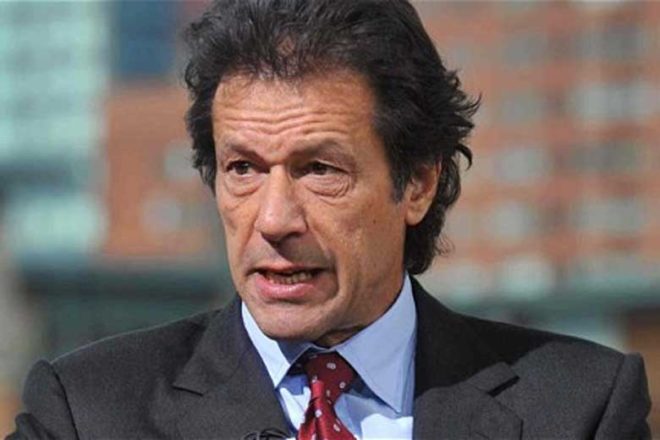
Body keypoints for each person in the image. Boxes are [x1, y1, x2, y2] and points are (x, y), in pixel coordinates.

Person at [8, 1, 651, 439]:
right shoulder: (86, 412)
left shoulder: (581, 408)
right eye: (243, 169)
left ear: (418, 183)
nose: (273, 219)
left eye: (319, 169)